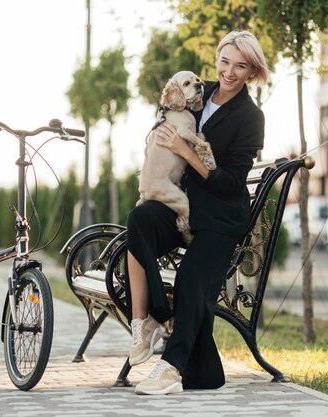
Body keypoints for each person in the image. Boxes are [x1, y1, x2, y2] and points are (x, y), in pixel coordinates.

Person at [126, 30, 269, 395]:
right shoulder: (197, 90)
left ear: (252, 71)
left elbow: (231, 181)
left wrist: (187, 152)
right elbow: (166, 116)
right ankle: (155, 321)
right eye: (225, 61)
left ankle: (171, 369)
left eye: (241, 66)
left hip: (222, 218)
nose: (230, 72)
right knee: (139, 220)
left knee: (192, 278)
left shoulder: (251, 117)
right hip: (186, 207)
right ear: (217, 57)